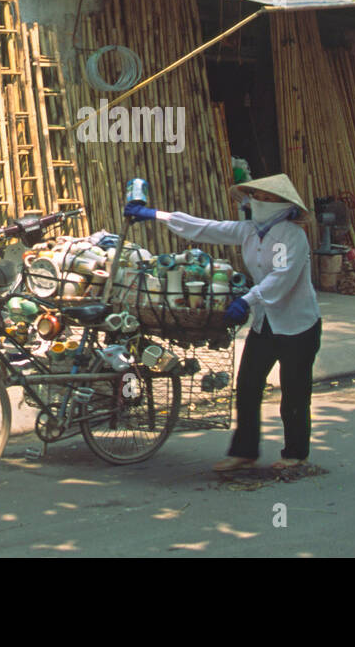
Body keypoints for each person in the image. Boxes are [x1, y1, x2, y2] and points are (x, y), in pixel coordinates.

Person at [124, 174, 321, 473]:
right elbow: (204, 228)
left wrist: (247, 300)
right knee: (248, 386)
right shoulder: (249, 231)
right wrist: (155, 215)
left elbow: (280, 278)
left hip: (297, 325)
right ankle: (244, 452)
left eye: (268, 199)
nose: (260, 202)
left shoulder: (290, 236)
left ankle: (295, 454)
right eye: (257, 196)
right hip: (265, 323)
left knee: (294, 391)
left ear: (283, 205)